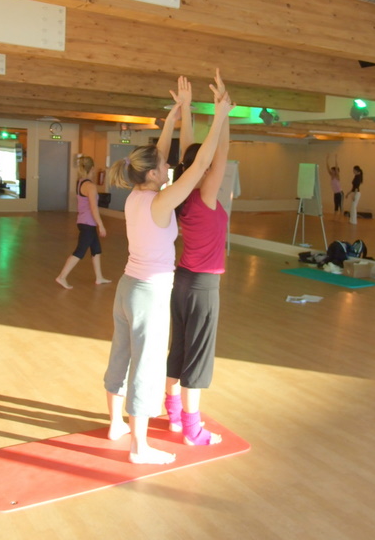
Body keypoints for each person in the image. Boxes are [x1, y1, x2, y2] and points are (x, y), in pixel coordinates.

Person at [103, 74, 233, 465]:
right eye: (163, 167)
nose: (168, 165)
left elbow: (159, 155)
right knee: (146, 366)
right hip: (149, 293)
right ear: (154, 174)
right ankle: (140, 447)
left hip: (127, 286)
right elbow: (203, 162)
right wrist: (221, 114)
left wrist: (179, 113)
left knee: (121, 357)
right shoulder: (163, 201)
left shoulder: (137, 194)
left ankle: (116, 424)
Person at [164, 69, 229, 446]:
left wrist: (188, 109)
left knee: (179, 348)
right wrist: (222, 114)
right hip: (203, 285)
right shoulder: (205, 195)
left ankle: (174, 414)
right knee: (197, 356)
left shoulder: (182, 190)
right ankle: (191, 428)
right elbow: (219, 154)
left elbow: (193, 151)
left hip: (182, 281)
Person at [55, 156, 110, 289]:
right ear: (92, 168)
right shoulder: (90, 186)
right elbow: (94, 208)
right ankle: (62, 277)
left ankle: (99, 277)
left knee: (96, 249)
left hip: (83, 221)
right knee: (80, 251)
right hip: (88, 223)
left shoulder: (80, 183)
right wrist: (101, 225)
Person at [326, 154, 343, 218]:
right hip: (335, 193)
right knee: (336, 205)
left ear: (335, 171)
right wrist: (327, 160)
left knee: (340, 206)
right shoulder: (331, 176)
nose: (332, 171)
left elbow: (336, 167)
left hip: (340, 193)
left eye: (333, 170)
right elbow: (327, 168)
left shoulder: (337, 176)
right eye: (332, 170)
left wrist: (336, 159)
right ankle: (334, 218)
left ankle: (340, 218)